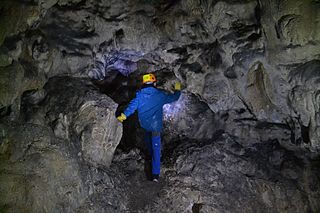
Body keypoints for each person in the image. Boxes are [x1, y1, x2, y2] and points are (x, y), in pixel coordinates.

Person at [117, 73, 181, 182]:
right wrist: (178, 89)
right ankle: (155, 175)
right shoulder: (160, 95)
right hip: (155, 127)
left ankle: (149, 157)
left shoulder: (139, 96)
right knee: (156, 150)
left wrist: (123, 116)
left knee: (148, 140)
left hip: (145, 125)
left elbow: (131, 106)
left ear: (143, 84)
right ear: (154, 83)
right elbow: (174, 97)